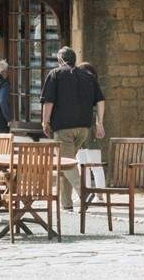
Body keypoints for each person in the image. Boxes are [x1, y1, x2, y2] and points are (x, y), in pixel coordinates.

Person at [40, 46, 104, 209]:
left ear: (60, 60)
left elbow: (48, 101)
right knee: (66, 165)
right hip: (83, 128)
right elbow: (101, 101)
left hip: (63, 128)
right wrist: (99, 123)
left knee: (64, 162)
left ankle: (84, 192)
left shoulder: (55, 74)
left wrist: (45, 122)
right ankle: (66, 203)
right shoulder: (88, 76)